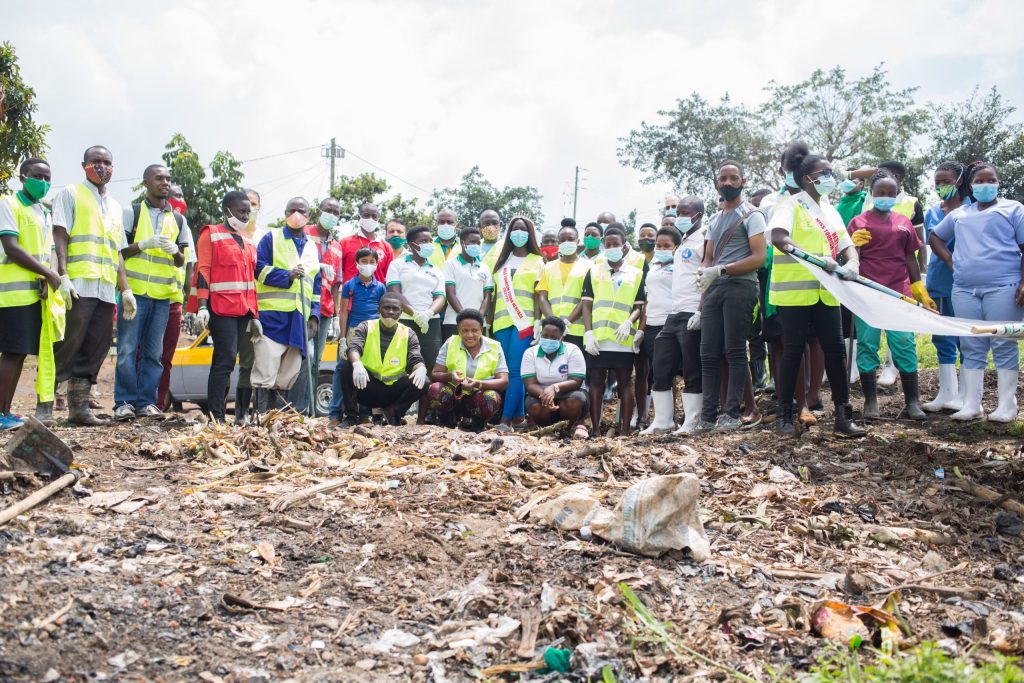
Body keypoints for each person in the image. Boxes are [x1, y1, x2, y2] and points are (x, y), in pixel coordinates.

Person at [768, 148, 866, 437]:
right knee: (793, 351)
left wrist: (854, 261)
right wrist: (812, 257)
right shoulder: (791, 205)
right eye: (826, 173)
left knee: (836, 351)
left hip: (827, 291)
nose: (831, 177)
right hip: (794, 293)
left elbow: (845, 242)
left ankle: (843, 416)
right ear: (808, 178)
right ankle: (785, 415)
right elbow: (778, 238)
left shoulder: (829, 208)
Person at [929, 162, 1024, 422]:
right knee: (971, 345)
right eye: (979, 181)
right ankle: (972, 404)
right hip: (964, 290)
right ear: (970, 185)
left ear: (998, 181)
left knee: (1004, 343)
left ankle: (1007, 406)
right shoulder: (961, 213)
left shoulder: (1013, 209)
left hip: (1004, 288)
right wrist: (950, 261)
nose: (985, 184)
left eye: (990, 179)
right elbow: (935, 237)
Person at [48, 145, 132, 426]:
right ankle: (45, 406)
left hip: (106, 287)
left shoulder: (116, 206)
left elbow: (117, 251)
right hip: (78, 281)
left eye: (107, 162)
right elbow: (60, 235)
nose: (102, 167)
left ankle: (79, 409)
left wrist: (126, 289)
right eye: (96, 161)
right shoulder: (70, 194)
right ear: (84, 164)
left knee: (96, 345)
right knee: (69, 341)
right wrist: (63, 274)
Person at [849, 170, 934, 420]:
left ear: (897, 195)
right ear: (872, 195)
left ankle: (912, 402)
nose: (885, 196)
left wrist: (918, 286)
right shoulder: (858, 222)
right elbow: (848, 257)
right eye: (880, 193)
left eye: (890, 193)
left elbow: (911, 256)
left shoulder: (903, 222)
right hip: (868, 294)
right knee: (867, 344)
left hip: (899, 293)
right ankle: (870, 402)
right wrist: (853, 245)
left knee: (904, 343)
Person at [113, 164, 190, 420]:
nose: (165, 183)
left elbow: (182, 261)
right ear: (146, 182)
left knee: (153, 354)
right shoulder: (131, 212)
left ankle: (146, 402)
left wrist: (174, 251)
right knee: (126, 350)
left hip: (162, 297)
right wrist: (142, 244)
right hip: (135, 294)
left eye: (168, 178)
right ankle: (124, 401)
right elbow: (118, 253)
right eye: (159, 178)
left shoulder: (178, 220)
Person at [695, 161, 767, 431]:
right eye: (723, 178)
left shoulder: (752, 215)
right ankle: (708, 416)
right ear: (716, 183)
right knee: (709, 353)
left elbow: (759, 257)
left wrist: (721, 269)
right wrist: (705, 273)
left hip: (740, 286)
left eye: (733, 178)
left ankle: (732, 414)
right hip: (713, 289)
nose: (727, 182)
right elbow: (708, 257)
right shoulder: (714, 219)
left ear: (742, 181)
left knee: (735, 351)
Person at [0, 158, 61, 429]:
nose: (44, 182)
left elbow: (47, 251)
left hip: (35, 296)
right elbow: (11, 247)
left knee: (20, 354)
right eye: (38, 176)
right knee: (11, 354)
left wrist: (51, 274)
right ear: (23, 177)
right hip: (12, 295)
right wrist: (48, 274)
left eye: (48, 178)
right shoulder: (8, 204)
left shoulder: (42, 211)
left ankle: (6, 412)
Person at [194, 191, 259, 423]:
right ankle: (216, 415)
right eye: (240, 211)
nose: (244, 216)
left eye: (247, 212)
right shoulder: (210, 234)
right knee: (224, 358)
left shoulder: (248, 241)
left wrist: (255, 315)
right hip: (220, 307)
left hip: (243, 309)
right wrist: (202, 305)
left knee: (232, 361)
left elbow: (250, 280)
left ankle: (220, 414)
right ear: (226, 211)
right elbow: (203, 270)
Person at [252, 197, 322, 411]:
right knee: (266, 366)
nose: (296, 214)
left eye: (301, 210)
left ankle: (278, 418)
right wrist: (287, 276)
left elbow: (316, 285)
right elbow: (259, 269)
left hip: (299, 318)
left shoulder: (312, 247)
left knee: (289, 370)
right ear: (285, 213)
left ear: (308, 217)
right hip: (272, 315)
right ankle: (260, 417)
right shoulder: (271, 238)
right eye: (292, 210)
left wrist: (314, 317)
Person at [643, 197, 706, 435]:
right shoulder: (681, 244)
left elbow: (706, 275)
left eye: (685, 212)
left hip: (692, 309)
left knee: (691, 367)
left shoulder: (704, 239)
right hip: (674, 313)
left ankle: (692, 421)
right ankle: (663, 420)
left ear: (698, 215)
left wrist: (701, 309)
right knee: (660, 365)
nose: (679, 216)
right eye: (678, 212)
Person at [582, 225, 646, 436]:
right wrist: (588, 332)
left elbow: (639, 305)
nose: (611, 248)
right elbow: (587, 304)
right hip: (598, 338)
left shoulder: (636, 273)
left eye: (615, 245)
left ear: (624, 246)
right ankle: (596, 429)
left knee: (625, 382)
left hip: (622, 336)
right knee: (597, 381)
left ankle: (625, 429)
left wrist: (630, 322)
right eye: (607, 245)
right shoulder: (593, 270)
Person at [922, 161, 970, 412]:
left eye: (946, 181)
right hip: (939, 281)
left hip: (966, 282)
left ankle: (966, 394)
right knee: (942, 336)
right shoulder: (932, 212)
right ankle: (947, 391)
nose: (940, 186)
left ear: (959, 181)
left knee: (966, 337)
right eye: (937, 182)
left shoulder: (973, 209)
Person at [385, 224, 446, 423]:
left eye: (430, 240)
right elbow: (394, 292)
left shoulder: (436, 270)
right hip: (404, 321)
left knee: (428, 369)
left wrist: (428, 313)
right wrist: (414, 313)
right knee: (401, 367)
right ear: (412, 245)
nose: (429, 244)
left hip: (431, 324)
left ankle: (422, 418)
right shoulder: (398, 265)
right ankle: (395, 411)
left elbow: (440, 297)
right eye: (424, 241)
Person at [288, 197, 342, 415]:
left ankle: (308, 408)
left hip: (326, 308)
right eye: (328, 209)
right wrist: (317, 266)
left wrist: (337, 315)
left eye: (336, 212)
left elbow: (337, 284)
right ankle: (296, 408)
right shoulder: (304, 233)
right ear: (318, 211)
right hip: (304, 303)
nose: (331, 214)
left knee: (315, 362)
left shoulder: (337, 246)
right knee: (302, 357)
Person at [340, 293, 428, 426]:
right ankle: (351, 417)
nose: (391, 312)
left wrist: (421, 368)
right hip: (367, 388)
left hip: (394, 391)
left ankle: (394, 412)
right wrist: (357, 364)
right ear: (378, 309)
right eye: (386, 308)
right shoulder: (365, 326)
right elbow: (354, 347)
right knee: (347, 367)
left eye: (395, 309)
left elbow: (415, 357)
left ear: (401, 312)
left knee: (424, 381)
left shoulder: (409, 333)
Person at [490, 215, 545, 427]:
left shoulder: (537, 260)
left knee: (515, 369)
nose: (518, 233)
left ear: (529, 234)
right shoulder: (501, 261)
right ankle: (519, 416)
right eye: (515, 229)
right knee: (506, 370)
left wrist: (539, 321)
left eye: (523, 229)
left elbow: (539, 295)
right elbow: (494, 295)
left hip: (525, 322)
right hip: (502, 321)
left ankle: (504, 421)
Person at [328, 247, 385, 426]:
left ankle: (365, 414)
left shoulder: (380, 287)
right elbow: (343, 311)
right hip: (353, 332)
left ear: (376, 264)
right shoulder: (350, 285)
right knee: (343, 370)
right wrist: (343, 338)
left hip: (373, 334)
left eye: (371, 262)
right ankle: (337, 413)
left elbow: (381, 311)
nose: (367, 265)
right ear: (357, 264)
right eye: (364, 261)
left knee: (369, 371)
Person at [428, 308, 508, 429]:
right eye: (465, 331)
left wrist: (478, 383)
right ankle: (447, 420)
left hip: (478, 396)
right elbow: (435, 374)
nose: (469, 335)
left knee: (491, 397)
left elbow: (503, 381)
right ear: (459, 330)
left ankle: (478, 423)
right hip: (454, 395)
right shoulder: (450, 343)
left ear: (481, 330)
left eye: (474, 330)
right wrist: (450, 375)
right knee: (436, 390)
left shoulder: (494, 346)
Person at [156, 183, 195, 412]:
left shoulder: (183, 225)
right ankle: (142, 401)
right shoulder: (156, 220)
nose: (179, 199)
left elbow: (189, 268)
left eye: (182, 195)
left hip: (173, 299)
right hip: (149, 296)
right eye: (175, 195)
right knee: (146, 354)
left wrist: (188, 305)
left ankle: (160, 403)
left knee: (166, 357)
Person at [635, 225, 677, 431]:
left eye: (666, 245)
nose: (661, 248)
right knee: (658, 372)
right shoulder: (653, 266)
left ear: (676, 247)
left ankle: (674, 419)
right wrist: (641, 329)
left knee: (672, 372)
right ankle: (661, 420)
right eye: (659, 245)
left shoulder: (681, 265)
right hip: (651, 324)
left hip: (670, 323)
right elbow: (647, 300)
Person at [524, 317, 589, 439]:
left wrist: (554, 388)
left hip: (569, 393)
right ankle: (548, 430)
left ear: (561, 338)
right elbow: (530, 384)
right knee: (534, 407)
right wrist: (546, 396)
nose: (548, 340)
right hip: (541, 395)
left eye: (554, 338)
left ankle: (569, 428)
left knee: (574, 401)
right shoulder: (530, 353)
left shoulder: (573, 351)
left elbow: (576, 381)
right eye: (545, 336)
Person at [536, 222, 590, 350]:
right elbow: (542, 298)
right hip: (550, 330)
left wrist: (567, 322)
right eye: (562, 240)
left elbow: (586, 299)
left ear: (578, 241)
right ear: (558, 243)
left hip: (576, 329)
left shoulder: (589, 266)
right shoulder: (548, 267)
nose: (567, 242)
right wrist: (554, 323)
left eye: (570, 239)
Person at [442, 227, 493, 340]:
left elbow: (487, 296)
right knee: (453, 356)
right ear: (462, 242)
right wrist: (464, 317)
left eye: (478, 242)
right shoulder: (450, 265)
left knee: (476, 356)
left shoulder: (484, 268)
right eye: (472, 242)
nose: (476, 245)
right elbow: (450, 294)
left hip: (478, 324)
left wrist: (478, 317)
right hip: (453, 321)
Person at [340, 202, 393, 284]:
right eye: (366, 215)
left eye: (374, 216)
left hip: (377, 296)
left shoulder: (386, 247)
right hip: (350, 295)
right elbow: (338, 273)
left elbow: (389, 278)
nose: (370, 219)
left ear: (378, 220)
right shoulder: (345, 243)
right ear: (359, 218)